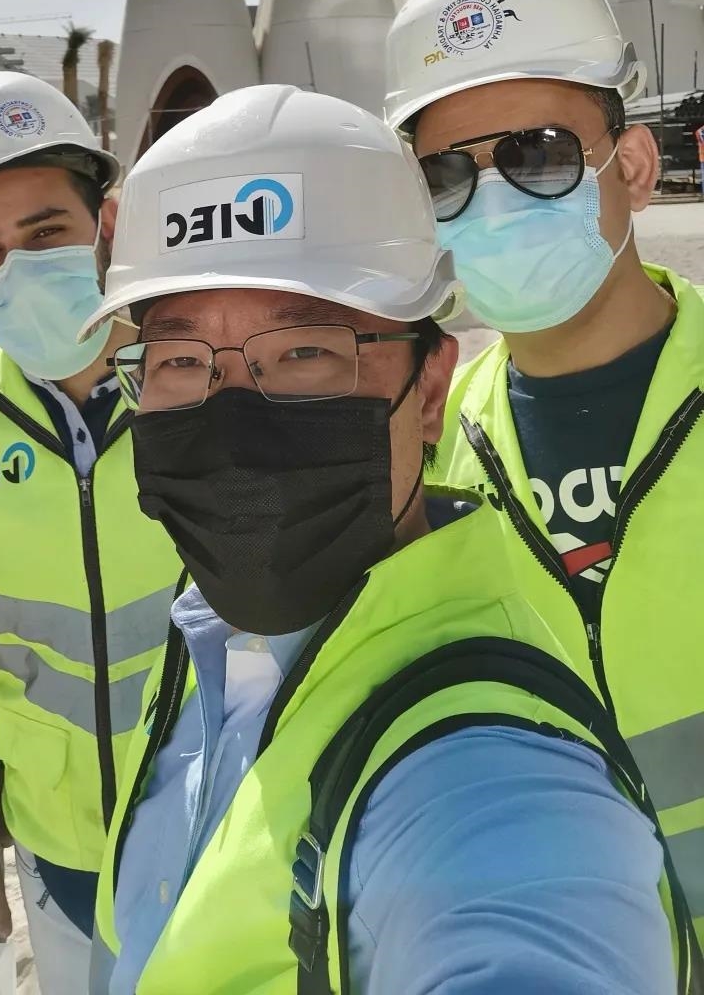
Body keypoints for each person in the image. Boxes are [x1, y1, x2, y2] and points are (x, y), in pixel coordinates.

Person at [86, 84, 688, 995]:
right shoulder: (202, 630)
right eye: (177, 359)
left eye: (305, 352)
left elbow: (520, 906)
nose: (231, 419)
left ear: (431, 388)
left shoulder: (488, 774)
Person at [385, 0, 704, 937]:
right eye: (447, 175)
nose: (494, 199)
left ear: (633, 167)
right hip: (577, 944)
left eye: (539, 154)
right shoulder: (437, 443)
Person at [0, 72, 181, 995]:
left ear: (107, 225)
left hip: (219, 817)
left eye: (47, 232)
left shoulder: (205, 379)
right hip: (57, 843)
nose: (17, 267)